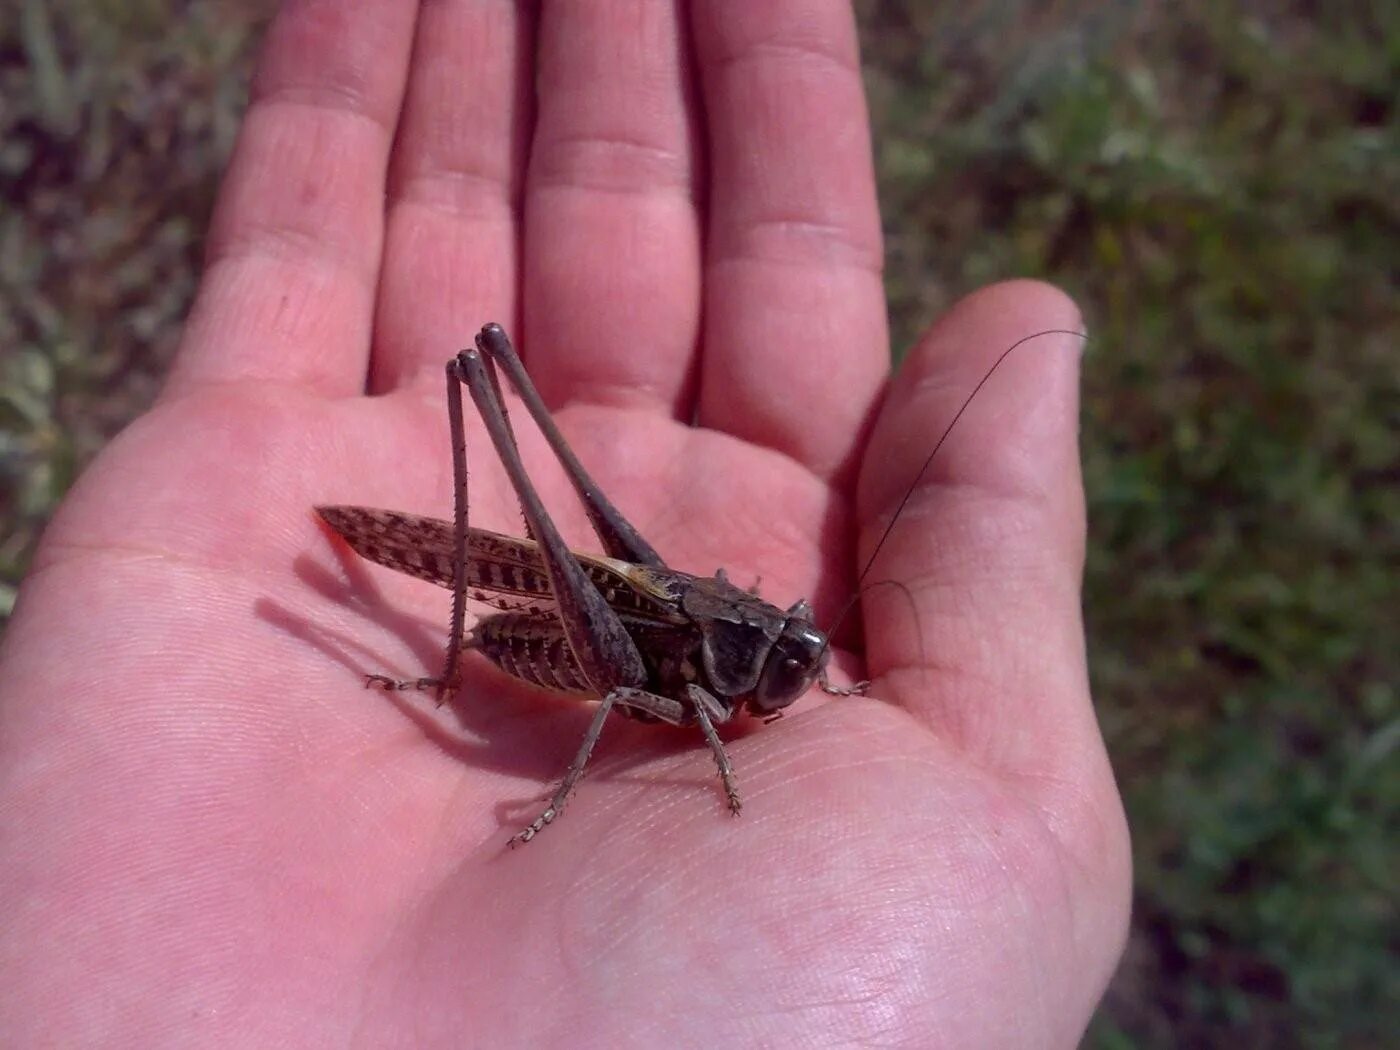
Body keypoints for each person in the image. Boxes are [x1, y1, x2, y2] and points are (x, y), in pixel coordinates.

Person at [0, 2, 1129, 1045]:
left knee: (636, 569)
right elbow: (624, 704)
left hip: (619, 624)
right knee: (502, 405)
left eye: (795, 659)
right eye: (786, 660)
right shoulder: (687, 689)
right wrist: (578, 797)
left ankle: (433, 649)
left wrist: (804, 679)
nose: (787, 671)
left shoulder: (767, 660)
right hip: (577, 644)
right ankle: (436, 668)